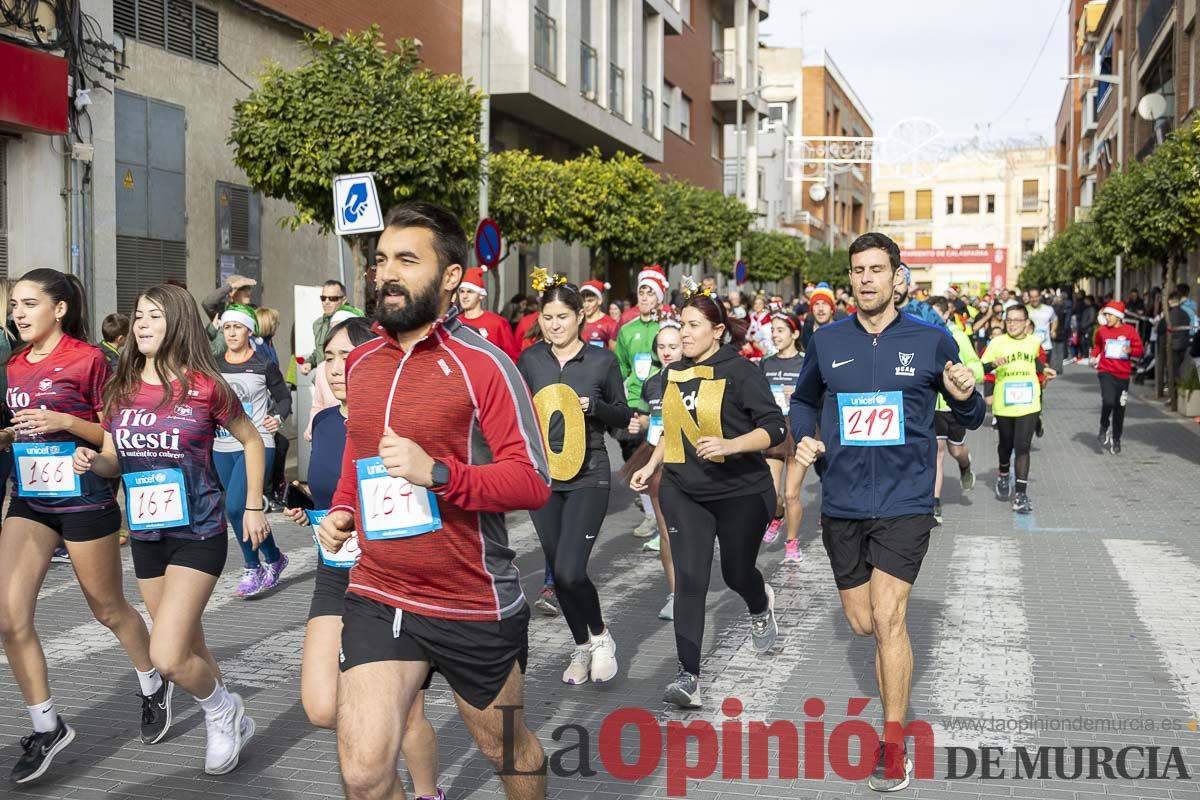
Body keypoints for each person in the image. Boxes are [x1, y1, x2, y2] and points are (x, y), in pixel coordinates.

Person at [316, 201, 550, 800]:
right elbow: (360, 455)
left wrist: (441, 474)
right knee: (364, 774)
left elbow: (532, 480)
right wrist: (344, 506)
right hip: (380, 590)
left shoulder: (485, 364)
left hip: (471, 599)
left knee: (508, 751)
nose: (386, 273)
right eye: (381, 260)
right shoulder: (363, 360)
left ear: (450, 277)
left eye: (406, 260)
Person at [791, 233, 984, 792]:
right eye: (858, 270)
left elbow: (968, 413)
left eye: (878, 269)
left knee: (887, 617)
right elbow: (804, 400)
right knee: (860, 622)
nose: (868, 279)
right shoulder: (826, 341)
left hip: (906, 501)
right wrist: (805, 437)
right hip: (844, 500)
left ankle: (892, 745)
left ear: (898, 277)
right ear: (850, 278)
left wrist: (967, 395)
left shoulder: (930, 340)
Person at [74, 283, 268, 776]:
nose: (141, 324)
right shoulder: (121, 388)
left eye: (153, 317)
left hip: (199, 532)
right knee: (191, 647)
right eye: (138, 316)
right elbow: (117, 460)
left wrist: (251, 505)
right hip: (145, 535)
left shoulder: (207, 386)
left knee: (166, 655)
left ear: (177, 322)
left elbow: (253, 441)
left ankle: (223, 710)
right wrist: (93, 461)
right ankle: (229, 721)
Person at [0, 269, 159, 784]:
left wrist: (66, 424)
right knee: (7, 617)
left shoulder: (90, 359)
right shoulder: (15, 365)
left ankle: (153, 681)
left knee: (108, 609)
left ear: (60, 309)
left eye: (28, 304)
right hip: (30, 500)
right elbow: (26, 431)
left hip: (84, 500)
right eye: (14, 305)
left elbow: (115, 438)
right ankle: (47, 727)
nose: (17, 313)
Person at [283, 317, 447, 800]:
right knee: (321, 705)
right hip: (336, 573)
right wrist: (312, 508)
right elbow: (334, 490)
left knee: (407, 713)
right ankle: (378, 778)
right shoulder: (326, 422)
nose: (335, 368)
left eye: (345, 357)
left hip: (397, 579)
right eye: (328, 358)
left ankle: (427, 791)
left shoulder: (406, 417)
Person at [630, 282, 786, 710]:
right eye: (681, 324)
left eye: (693, 325)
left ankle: (760, 601)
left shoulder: (741, 371)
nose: (684, 333)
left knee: (737, 574)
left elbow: (775, 428)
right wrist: (651, 464)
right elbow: (674, 428)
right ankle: (689, 676)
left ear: (717, 330)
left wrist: (730, 445)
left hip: (741, 491)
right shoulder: (673, 372)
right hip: (685, 489)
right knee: (691, 580)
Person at [517, 270, 631, 685]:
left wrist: (595, 406)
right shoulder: (530, 359)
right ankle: (581, 646)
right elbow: (515, 413)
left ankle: (600, 637)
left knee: (568, 570)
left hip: (589, 474)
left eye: (562, 316)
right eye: (547, 317)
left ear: (580, 315)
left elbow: (623, 416)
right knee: (558, 569)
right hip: (544, 479)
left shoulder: (601, 360)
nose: (554, 324)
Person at [213, 304, 292, 598]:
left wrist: (279, 418)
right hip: (221, 444)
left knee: (235, 506)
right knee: (240, 511)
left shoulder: (263, 364)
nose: (232, 333)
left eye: (238, 327)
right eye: (227, 328)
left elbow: (284, 399)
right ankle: (274, 558)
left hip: (257, 443)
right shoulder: (213, 363)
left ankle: (252, 568)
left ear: (249, 331)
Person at [621, 314, 682, 618]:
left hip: (687, 460)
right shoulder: (652, 382)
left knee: (688, 530)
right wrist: (639, 421)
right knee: (665, 529)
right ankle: (675, 594)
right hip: (656, 460)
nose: (667, 351)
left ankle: (690, 587)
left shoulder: (696, 377)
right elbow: (648, 416)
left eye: (673, 345)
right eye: (661, 346)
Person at [981, 304, 1054, 514]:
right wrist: (993, 364)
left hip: (1029, 401)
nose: (1012, 324)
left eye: (1017, 320)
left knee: (1022, 446)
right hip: (1005, 403)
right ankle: (1003, 473)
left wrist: (1045, 370)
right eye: (1009, 320)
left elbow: (1035, 363)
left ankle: (1021, 494)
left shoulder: (1033, 342)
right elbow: (981, 367)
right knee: (1006, 444)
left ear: (1026, 323)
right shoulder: (997, 342)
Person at [615, 266, 669, 538]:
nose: (645, 297)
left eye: (651, 292)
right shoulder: (627, 330)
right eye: (642, 291)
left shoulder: (668, 327)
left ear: (660, 296)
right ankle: (650, 513)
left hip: (663, 401)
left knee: (664, 459)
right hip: (636, 401)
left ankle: (666, 512)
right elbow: (621, 367)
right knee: (636, 457)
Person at [927, 297, 982, 524]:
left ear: (946, 315)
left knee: (955, 450)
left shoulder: (957, 336)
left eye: (934, 316)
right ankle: (935, 505)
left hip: (954, 405)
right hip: (934, 408)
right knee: (937, 452)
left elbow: (976, 365)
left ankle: (965, 465)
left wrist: (965, 376)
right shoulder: (920, 337)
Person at [759, 311, 807, 563]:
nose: (775, 335)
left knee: (791, 494)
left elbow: (817, 396)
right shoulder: (766, 363)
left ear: (795, 333)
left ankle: (791, 541)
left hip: (799, 429)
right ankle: (776, 517)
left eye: (781, 330)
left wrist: (798, 393)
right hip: (774, 429)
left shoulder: (805, 362)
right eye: (773, 331)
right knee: (771, 492)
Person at [1089, 301, 1144, 455]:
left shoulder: (1130, 331)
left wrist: (1130, 349)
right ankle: (1104, 426)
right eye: (1105, 314)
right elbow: (1098, 346)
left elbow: (1140, 350)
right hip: (1106, 372)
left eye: (1109, 315)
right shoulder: (1102, 331)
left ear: (1118, 316)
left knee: (1120, 408)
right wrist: (1094, 356)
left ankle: (1116, 438)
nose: (1106, 317)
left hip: (1123, 375)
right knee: (1108, 401)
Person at [456, 267, 521, 362]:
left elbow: (513, 358)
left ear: (481, 295)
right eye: (462, 291)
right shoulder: (454, 323)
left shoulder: (498, 323)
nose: (465, 296)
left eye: (470, 292)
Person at [201, 274, 257, 357]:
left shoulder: (252, 311)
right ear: (231, 292)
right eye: (243, 288)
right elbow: (207, 303)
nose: (248, 292)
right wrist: (231, 286)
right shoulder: (222, 312)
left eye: (248, 288)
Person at [301, 280, 347, 375]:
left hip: (342, 381)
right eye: (323, 298)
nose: (326, 302)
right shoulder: (318, 324)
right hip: (322, 382)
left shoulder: (351, 322)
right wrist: (309, 362)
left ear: (343, 300)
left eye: (332, 298)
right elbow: (319, 351)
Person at [580, 280, 619, 349]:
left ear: (599, 301)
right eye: (583, 301)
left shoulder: (610, 324)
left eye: (590, 301)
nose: (586, 305)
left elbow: (614, 354)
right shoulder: (577, 322)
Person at [801, 284, 838, 350]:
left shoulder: (842, 332)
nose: (820, 308)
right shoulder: (804, 334)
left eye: (825, 303)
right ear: (812, 310)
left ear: (832, 309)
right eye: (816, 304)